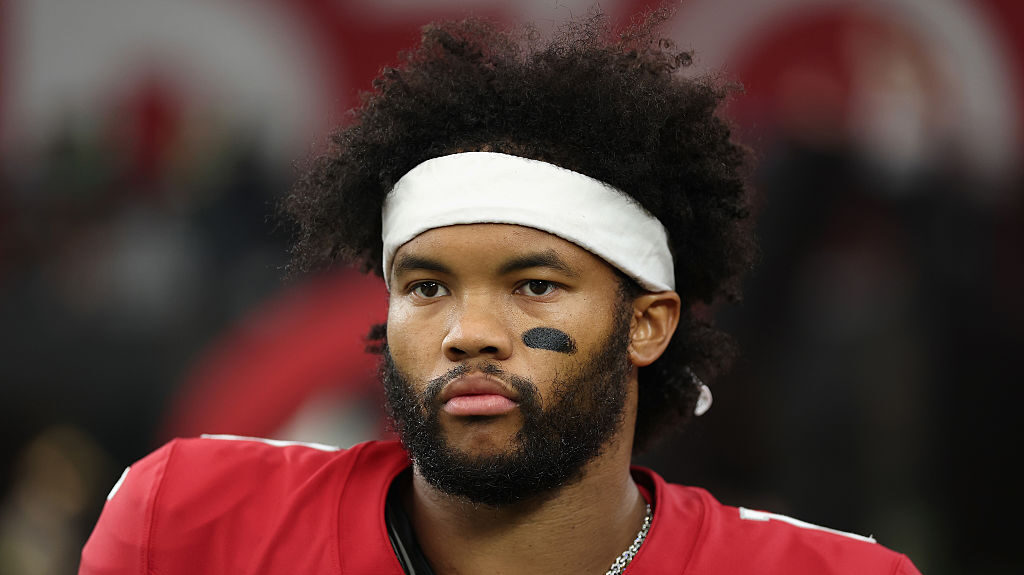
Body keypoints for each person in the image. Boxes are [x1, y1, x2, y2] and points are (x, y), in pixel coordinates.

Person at [80, 11, 921, 575]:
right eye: (427, 286)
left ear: (648, 323)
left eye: (535, 284)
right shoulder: (189, 522)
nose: (469, 332)